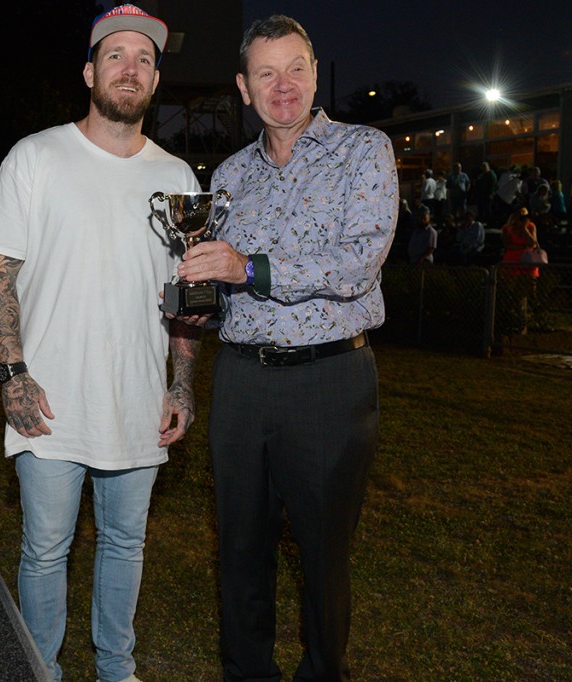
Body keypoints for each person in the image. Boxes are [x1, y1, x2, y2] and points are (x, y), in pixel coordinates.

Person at [0, 6, 202, 681]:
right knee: (45, 549)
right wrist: (12, 373)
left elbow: (187, 297)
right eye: (115, 56)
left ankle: (116, 670)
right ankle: (40, 668)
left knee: (125, 543)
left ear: (155, 80)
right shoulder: (35, 156)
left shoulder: (181, 180)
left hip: (137, 397)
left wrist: (182, 385)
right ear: (89, 71)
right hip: (50, 398)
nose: (128, 68)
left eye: (142, 59)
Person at [174, 15, 397, 680]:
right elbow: (219, 291)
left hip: (331, 383)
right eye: (266, 73)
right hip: (242, 384)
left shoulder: (364, 150)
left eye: (295, 67)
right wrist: (187, 295)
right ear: (243, 88)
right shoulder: (229, 178)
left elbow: (356, 263)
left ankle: (324, 671)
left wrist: (247, 269)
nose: (284, 85)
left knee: (325, 555)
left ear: (316, 72)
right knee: (240, 552)